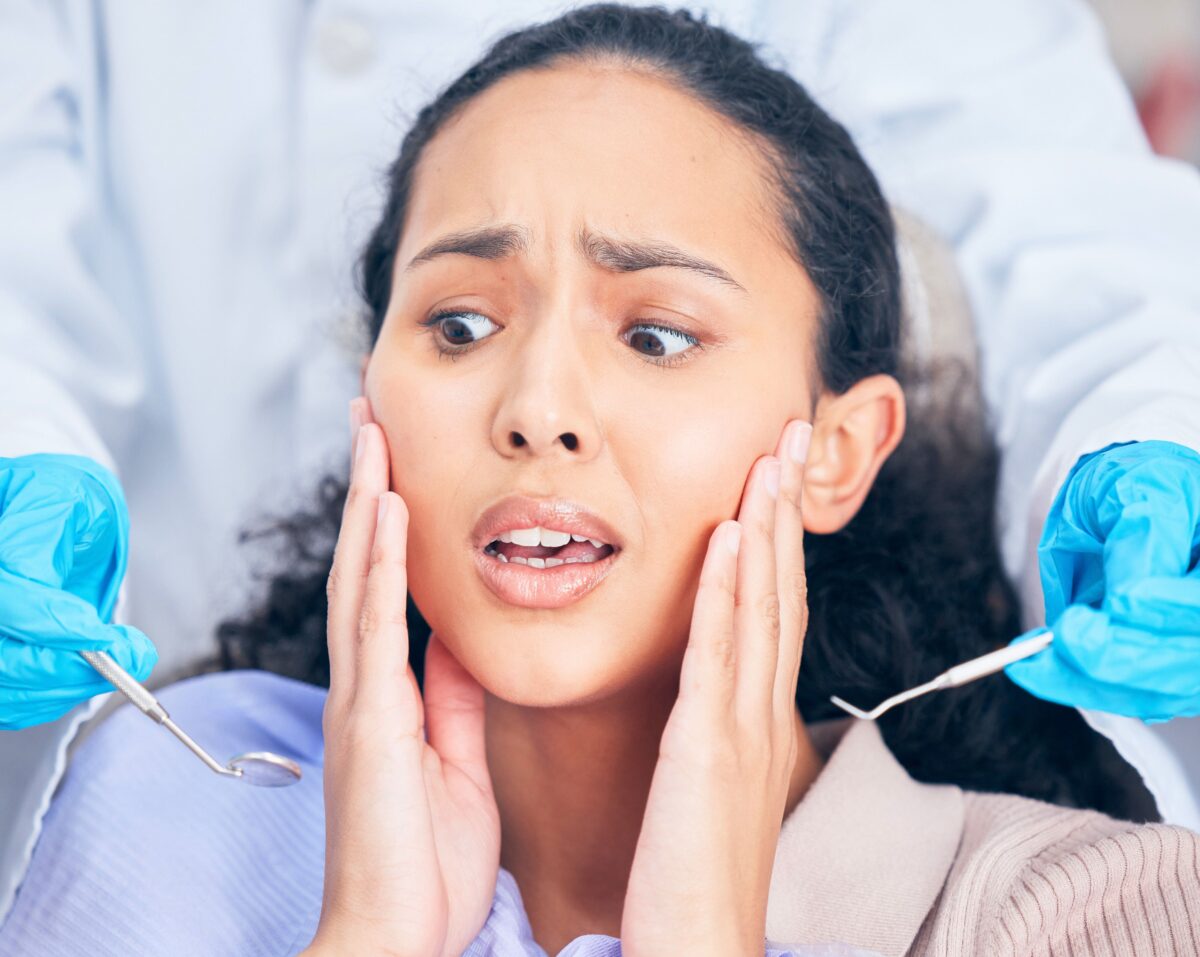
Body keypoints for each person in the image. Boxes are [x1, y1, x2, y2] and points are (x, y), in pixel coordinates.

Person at [3, 9, 1197, 955]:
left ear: (840, 448)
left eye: (658, 336)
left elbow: (1059, 199)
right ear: (369, 401)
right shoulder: (144, 822)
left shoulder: (1078, 913)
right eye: (460, 324)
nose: (535, 413)